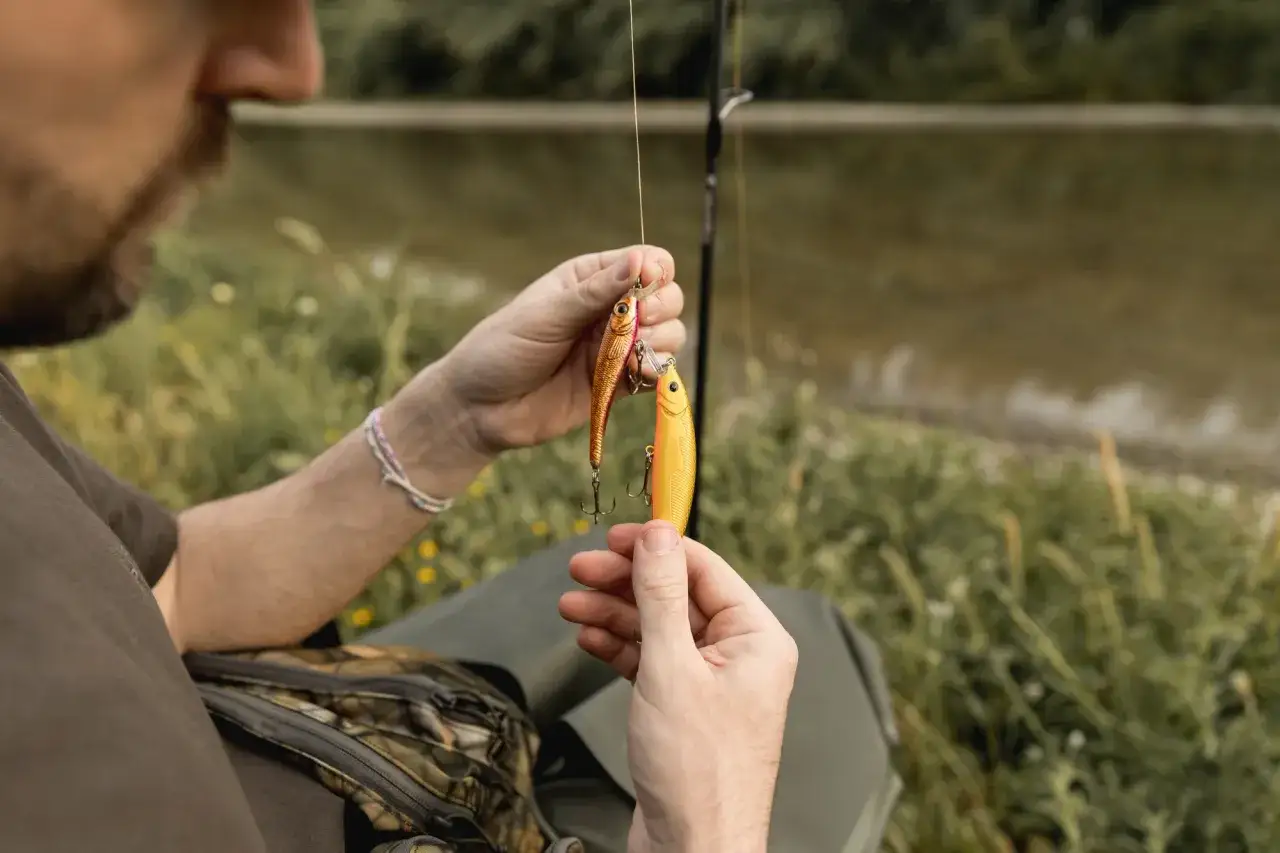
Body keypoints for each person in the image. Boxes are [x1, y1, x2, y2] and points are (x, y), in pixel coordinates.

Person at [0, 2, 901, 852]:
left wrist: (455, 420)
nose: (293, 66)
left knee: (757, 620)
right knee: (809, 659)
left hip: (351, 749)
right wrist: (708, 827)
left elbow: (175, 585)